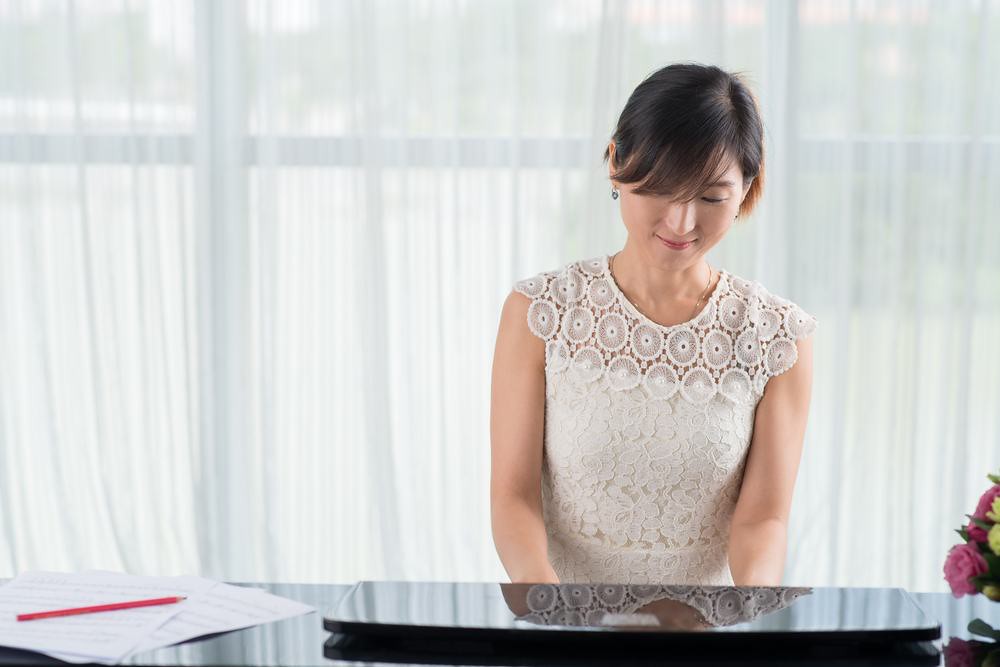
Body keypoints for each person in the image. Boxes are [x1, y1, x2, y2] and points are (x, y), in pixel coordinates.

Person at [489, 63, 818, 587]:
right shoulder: (541, 312)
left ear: (747, 190)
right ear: (617, 162)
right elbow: (513, 497)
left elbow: (762, 520)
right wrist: (548, 609)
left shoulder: (777, 337)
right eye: (662, 188)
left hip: (704, 641)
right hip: (565, 632)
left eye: (711, 197)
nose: (682, 223)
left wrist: (754, 624)